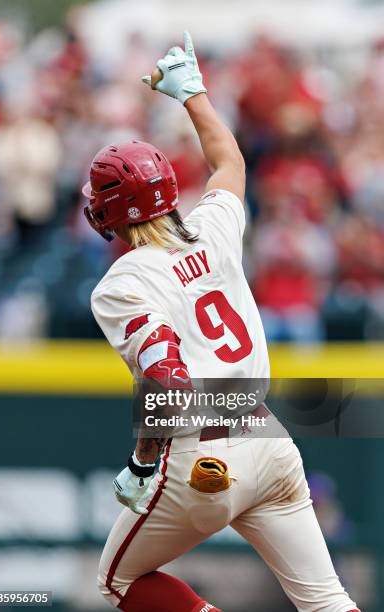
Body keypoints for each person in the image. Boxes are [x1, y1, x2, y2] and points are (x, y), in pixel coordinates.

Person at [83, 32, 360, 612]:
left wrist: (141, 460)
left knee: (119, 581)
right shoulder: (213, 227)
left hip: (203, 456)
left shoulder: (122, 283)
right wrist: (192, 94)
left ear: (109, 211)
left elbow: (169, 381)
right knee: (327, 601)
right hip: (270, 437)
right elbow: (228, 160)